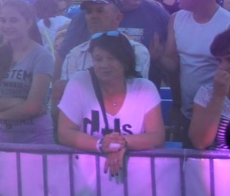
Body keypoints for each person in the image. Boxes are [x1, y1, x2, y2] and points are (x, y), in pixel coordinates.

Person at [57, 33, 165, 177]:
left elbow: (157, 138)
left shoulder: (145, 89)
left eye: (111, 58)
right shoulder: (79, 82)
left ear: (125, 61)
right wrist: (101, 145)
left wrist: (122, 143)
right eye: (98, 59)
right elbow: (64, 133)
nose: (104, 65)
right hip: (85, 176)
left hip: (137, 176)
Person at [161, 0, 230, 137]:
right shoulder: (176, 19)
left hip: (220, 117)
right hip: (185, 112)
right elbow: (173, 64)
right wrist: (158, 58)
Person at [0, 0, 54, 143]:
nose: (7, 26)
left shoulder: (42, 56)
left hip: (36, 139)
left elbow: (33, 107)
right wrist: (16, 102)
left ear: (28, 22)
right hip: (3, 138)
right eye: (3, 20)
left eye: (13, 20)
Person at [190, 27, 230, 151]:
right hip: (218, 162)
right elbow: (200, 143)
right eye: (219, 60)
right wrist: (218, 96)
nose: (222, 67)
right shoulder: (207, 92)